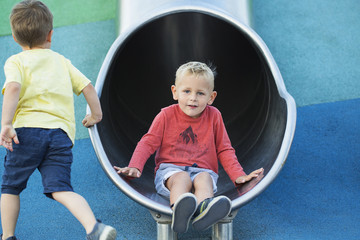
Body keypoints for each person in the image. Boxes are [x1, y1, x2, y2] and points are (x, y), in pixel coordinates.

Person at [0, 1, 117, 240]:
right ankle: (93, 227)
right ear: (50, 34)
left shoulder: (16, 61)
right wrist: (96, 115)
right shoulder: (62, 62)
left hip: (26, 132)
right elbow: (88, 87)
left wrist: (6, 124)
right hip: (59, 136)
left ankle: (8, 236)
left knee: (10, 187)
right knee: (60, 188)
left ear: (14, 37)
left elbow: (13, 87)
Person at [114, 61, 264, 233]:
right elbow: (148, 142)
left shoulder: (215, 116)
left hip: (203, 170)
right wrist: (135, 165)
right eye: (187, 91)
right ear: (175, 92)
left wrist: (239, 176)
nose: (193, 98)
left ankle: (203, 211)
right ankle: (179, 210)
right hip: (170, 171)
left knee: (204, 179)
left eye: (200, 93)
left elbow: (224, 149)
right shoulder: (166, 115)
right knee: (182, 178)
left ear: (211, 97)